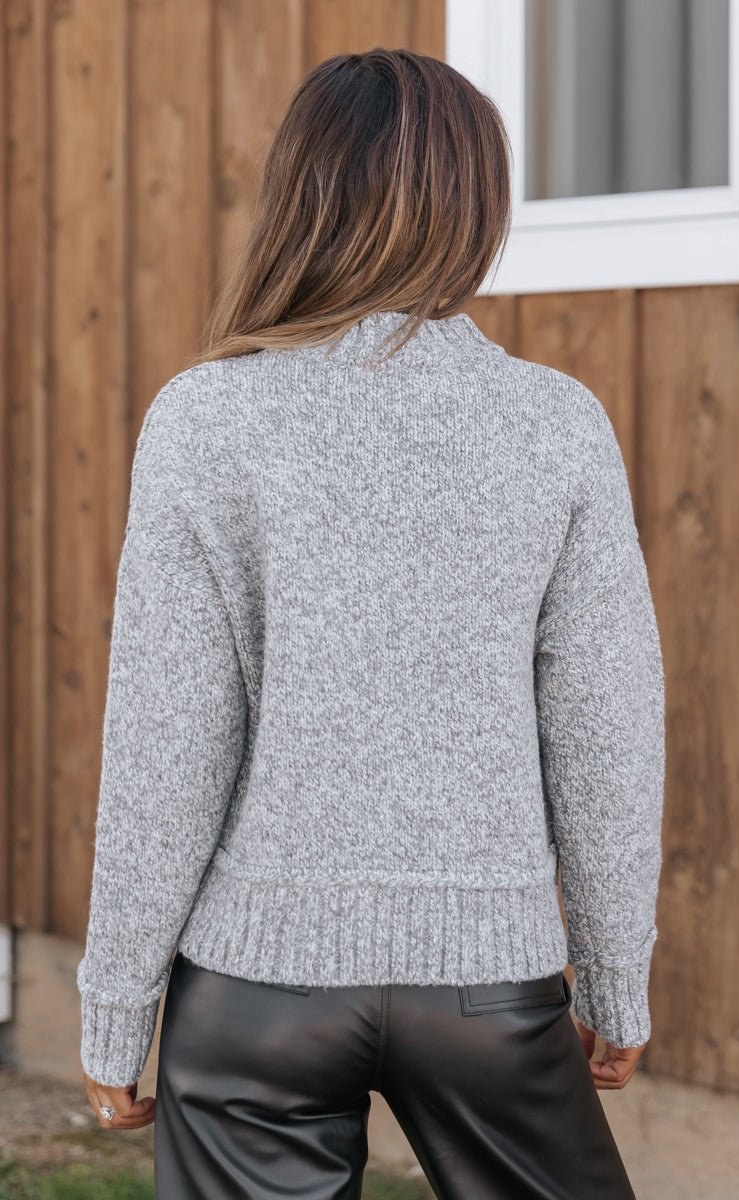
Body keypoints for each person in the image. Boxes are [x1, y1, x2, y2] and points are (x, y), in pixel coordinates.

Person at [77, 46, 665, 1200]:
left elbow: (166, 744)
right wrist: (613, 975)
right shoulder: (555, 424)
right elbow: (607, 731)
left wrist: (115, 1008)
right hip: (488, 983)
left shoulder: (205, 419)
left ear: (298, 197)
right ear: (476, 209)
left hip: (254, 993)